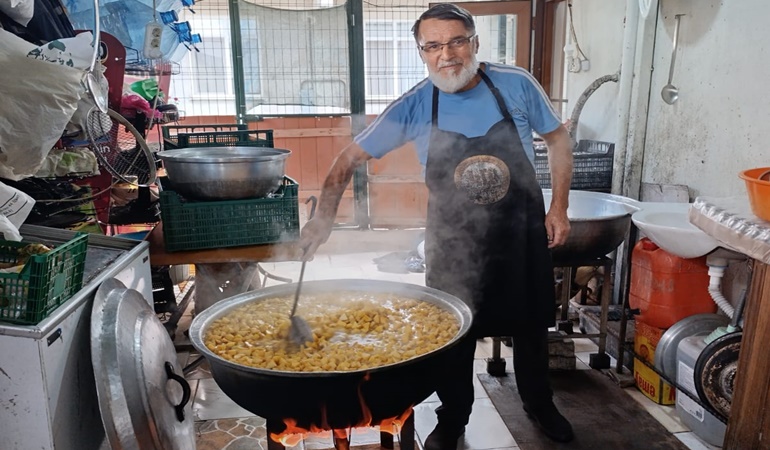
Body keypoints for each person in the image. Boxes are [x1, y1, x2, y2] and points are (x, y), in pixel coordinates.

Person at [299, 3, 574, 448]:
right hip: (453, 240)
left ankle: (540, 404)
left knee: (530, 325)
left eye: (457, 41)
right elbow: (348, 158)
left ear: (475, 43)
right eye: (434, 45)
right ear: (422, 52)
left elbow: (558, 138)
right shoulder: (413, 105)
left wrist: (559, 207)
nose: (447, 54)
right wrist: (323, 220)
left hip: (520, 231)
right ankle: (454, 417)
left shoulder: (516, 84)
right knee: (453, 333)